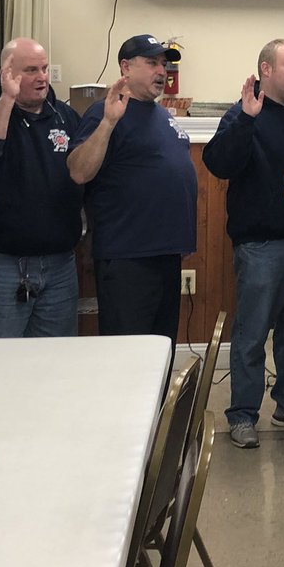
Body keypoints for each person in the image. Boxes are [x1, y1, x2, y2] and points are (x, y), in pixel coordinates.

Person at [202, 39, 284, 448]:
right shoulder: (242, 113)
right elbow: (218, 164)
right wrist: (245, 121)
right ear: (266, 70)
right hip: (260, 246)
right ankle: (242, 414)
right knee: (252, 335)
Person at [67, 35, 197, 342]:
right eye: (152, 63)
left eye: (163, 64)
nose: (161, 71)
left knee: (161, 350)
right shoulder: (105, 113)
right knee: (127, 354)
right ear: (125, 67)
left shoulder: (162, 115)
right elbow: (78, 171)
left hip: (166, 255)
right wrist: (108, 123)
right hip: (128, 258)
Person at [0, 37, 83, 337]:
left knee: (54, 358)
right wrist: (7, 99)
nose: (42, 77)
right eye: (31, 70)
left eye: (44, 68)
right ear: (7, 72)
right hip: (0, 265)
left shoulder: (64, 115)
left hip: (59, 265)